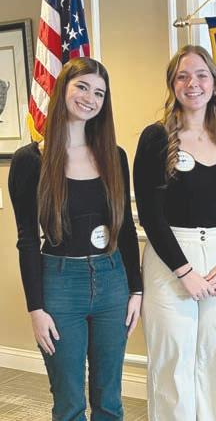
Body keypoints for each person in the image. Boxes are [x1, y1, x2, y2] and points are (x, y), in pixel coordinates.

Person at [9, 57, 143, 420]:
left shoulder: (114, 156)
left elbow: (125, 229)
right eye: (82, 87)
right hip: (59, 286)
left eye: (99, 93)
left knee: (110, 400)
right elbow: (26, 240)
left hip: (112, 282)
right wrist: (36, 309)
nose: (90, 98)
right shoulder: (30, 161)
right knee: (68, 402)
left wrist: (136, 289)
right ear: (62, 90)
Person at [134, 44, 216, 421]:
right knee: (173, 363)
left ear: (214, 84)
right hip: (170, 258)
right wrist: (184, 272)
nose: (193, 84)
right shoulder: (156, 139)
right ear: (172, 85)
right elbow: (150, 215)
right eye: (182, 76)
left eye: (201, 75)